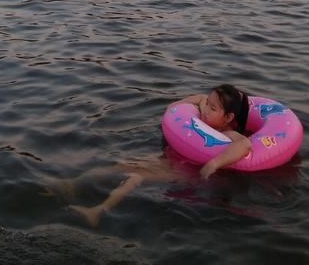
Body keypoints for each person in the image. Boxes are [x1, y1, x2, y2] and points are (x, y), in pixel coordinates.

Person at [67, 85, 252, 227]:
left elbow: (245, 144)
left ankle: (98, 211)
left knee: (136, 175)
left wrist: (214, 163)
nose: (204, 110)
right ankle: (71, 184)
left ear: (228, 118)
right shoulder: (204, 118)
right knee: (121, 164)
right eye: (206, 105)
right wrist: (204, 100)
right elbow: (182, 105)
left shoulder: (227, 134)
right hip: (172, 160)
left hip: (186, 173)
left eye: (212, 108)